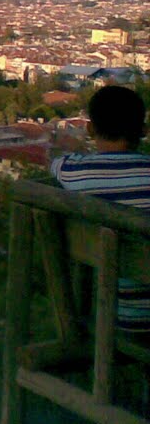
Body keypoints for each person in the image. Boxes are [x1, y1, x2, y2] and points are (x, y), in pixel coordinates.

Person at [52, 84, 150, 334]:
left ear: (90, 128)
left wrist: (77, 151)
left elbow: (53, 163)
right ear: (143, 131)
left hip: (114, 321)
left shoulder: (75, 172)